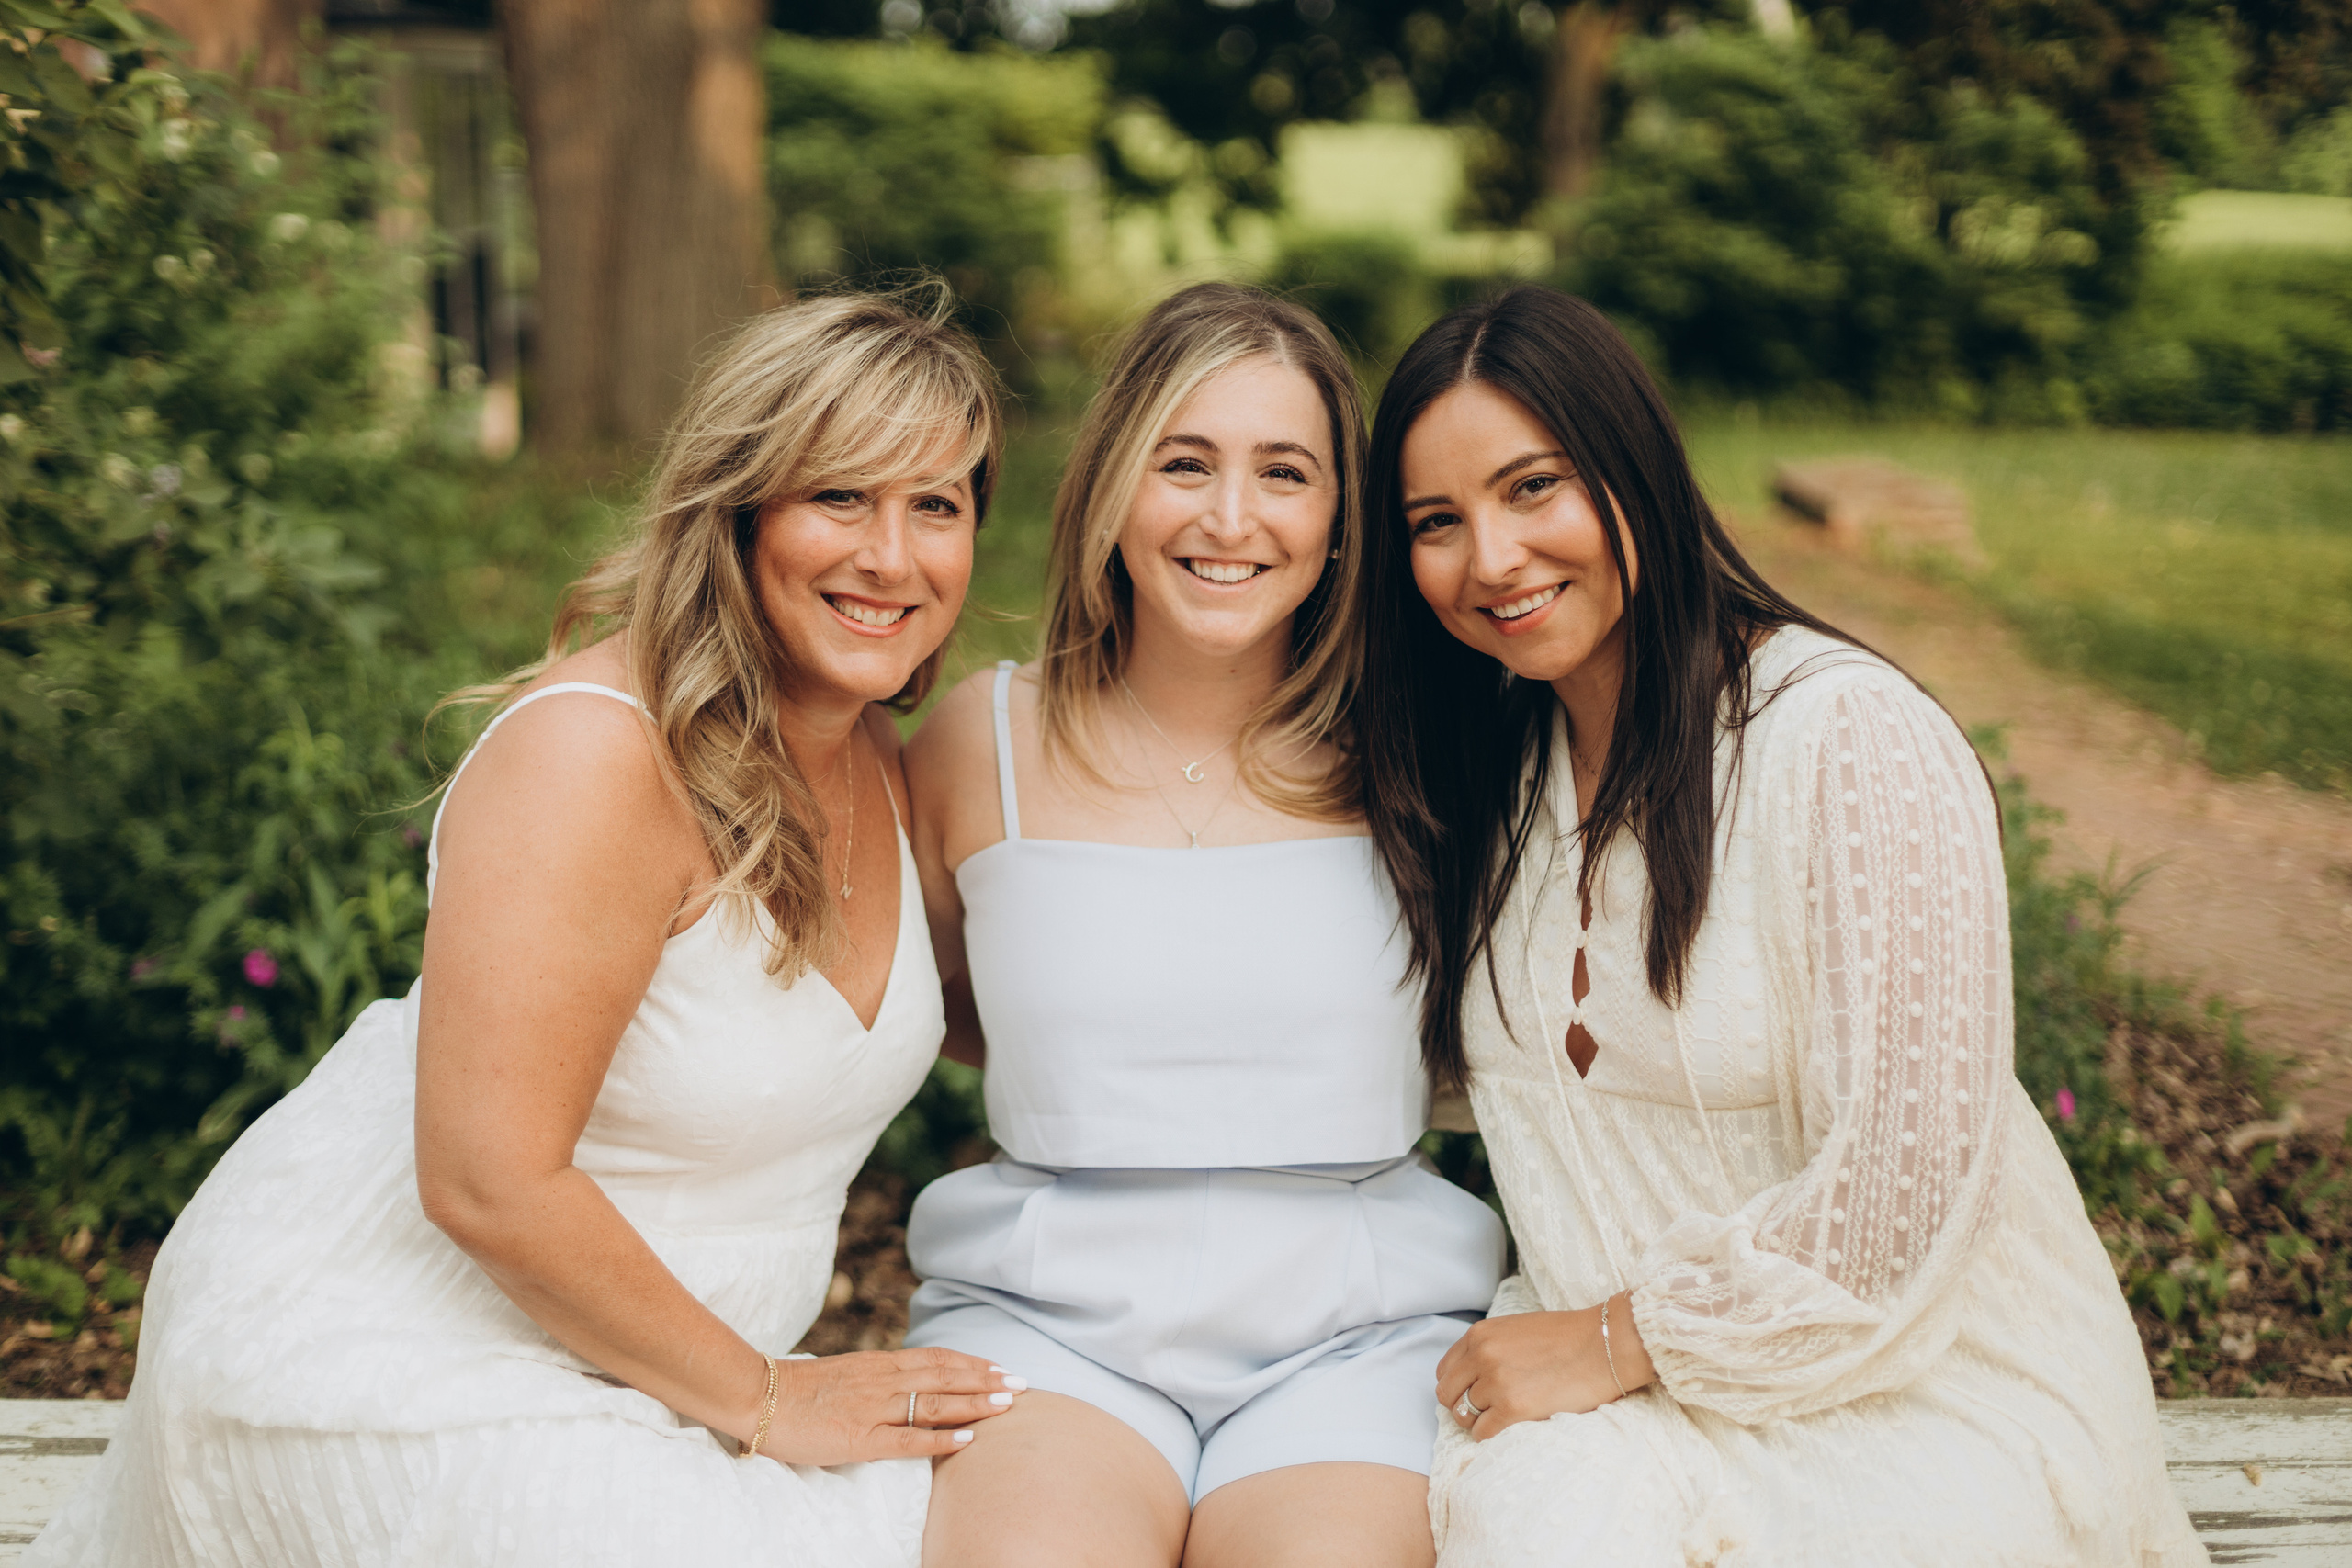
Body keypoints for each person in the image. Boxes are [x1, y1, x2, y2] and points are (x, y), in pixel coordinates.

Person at [29, 289, 1028, 1568]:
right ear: (735, 512)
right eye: (839, 496)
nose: (892, 557)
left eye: (935, 505)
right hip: (388, 1357)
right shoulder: (598, 758)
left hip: (667, 1381)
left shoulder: (875, 746)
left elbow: (1003, 1027)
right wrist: (773, 1398)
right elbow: (487, 1182)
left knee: (1048, 1492)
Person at [1356, 286, 2206, 1567]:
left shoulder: (1847, 744)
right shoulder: (1497, 770)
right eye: (1436, 522)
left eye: (1534, 488)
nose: (1491, 558)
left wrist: (1613, 1342)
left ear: (1634, 470)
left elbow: (1899, 1207)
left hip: (1925, 1393)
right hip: (1614, 1400)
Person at [900, 282, 1507, 1568]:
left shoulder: (1425, 758)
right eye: (1185, 463)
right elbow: (942, 1008)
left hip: (1361, 1322)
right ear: (1114, 485)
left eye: (1284, 473)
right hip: (1049, 1317)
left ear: (1340, 519)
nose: (1230, 518)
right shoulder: (977, 740)